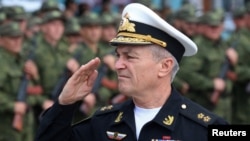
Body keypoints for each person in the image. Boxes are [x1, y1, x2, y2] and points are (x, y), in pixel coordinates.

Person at [35, 3, 228, 141]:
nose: (118, 65)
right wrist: (64, 105)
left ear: (165, 66)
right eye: (119, 55)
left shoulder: (207, 128)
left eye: (130, 57)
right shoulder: (104, 122)